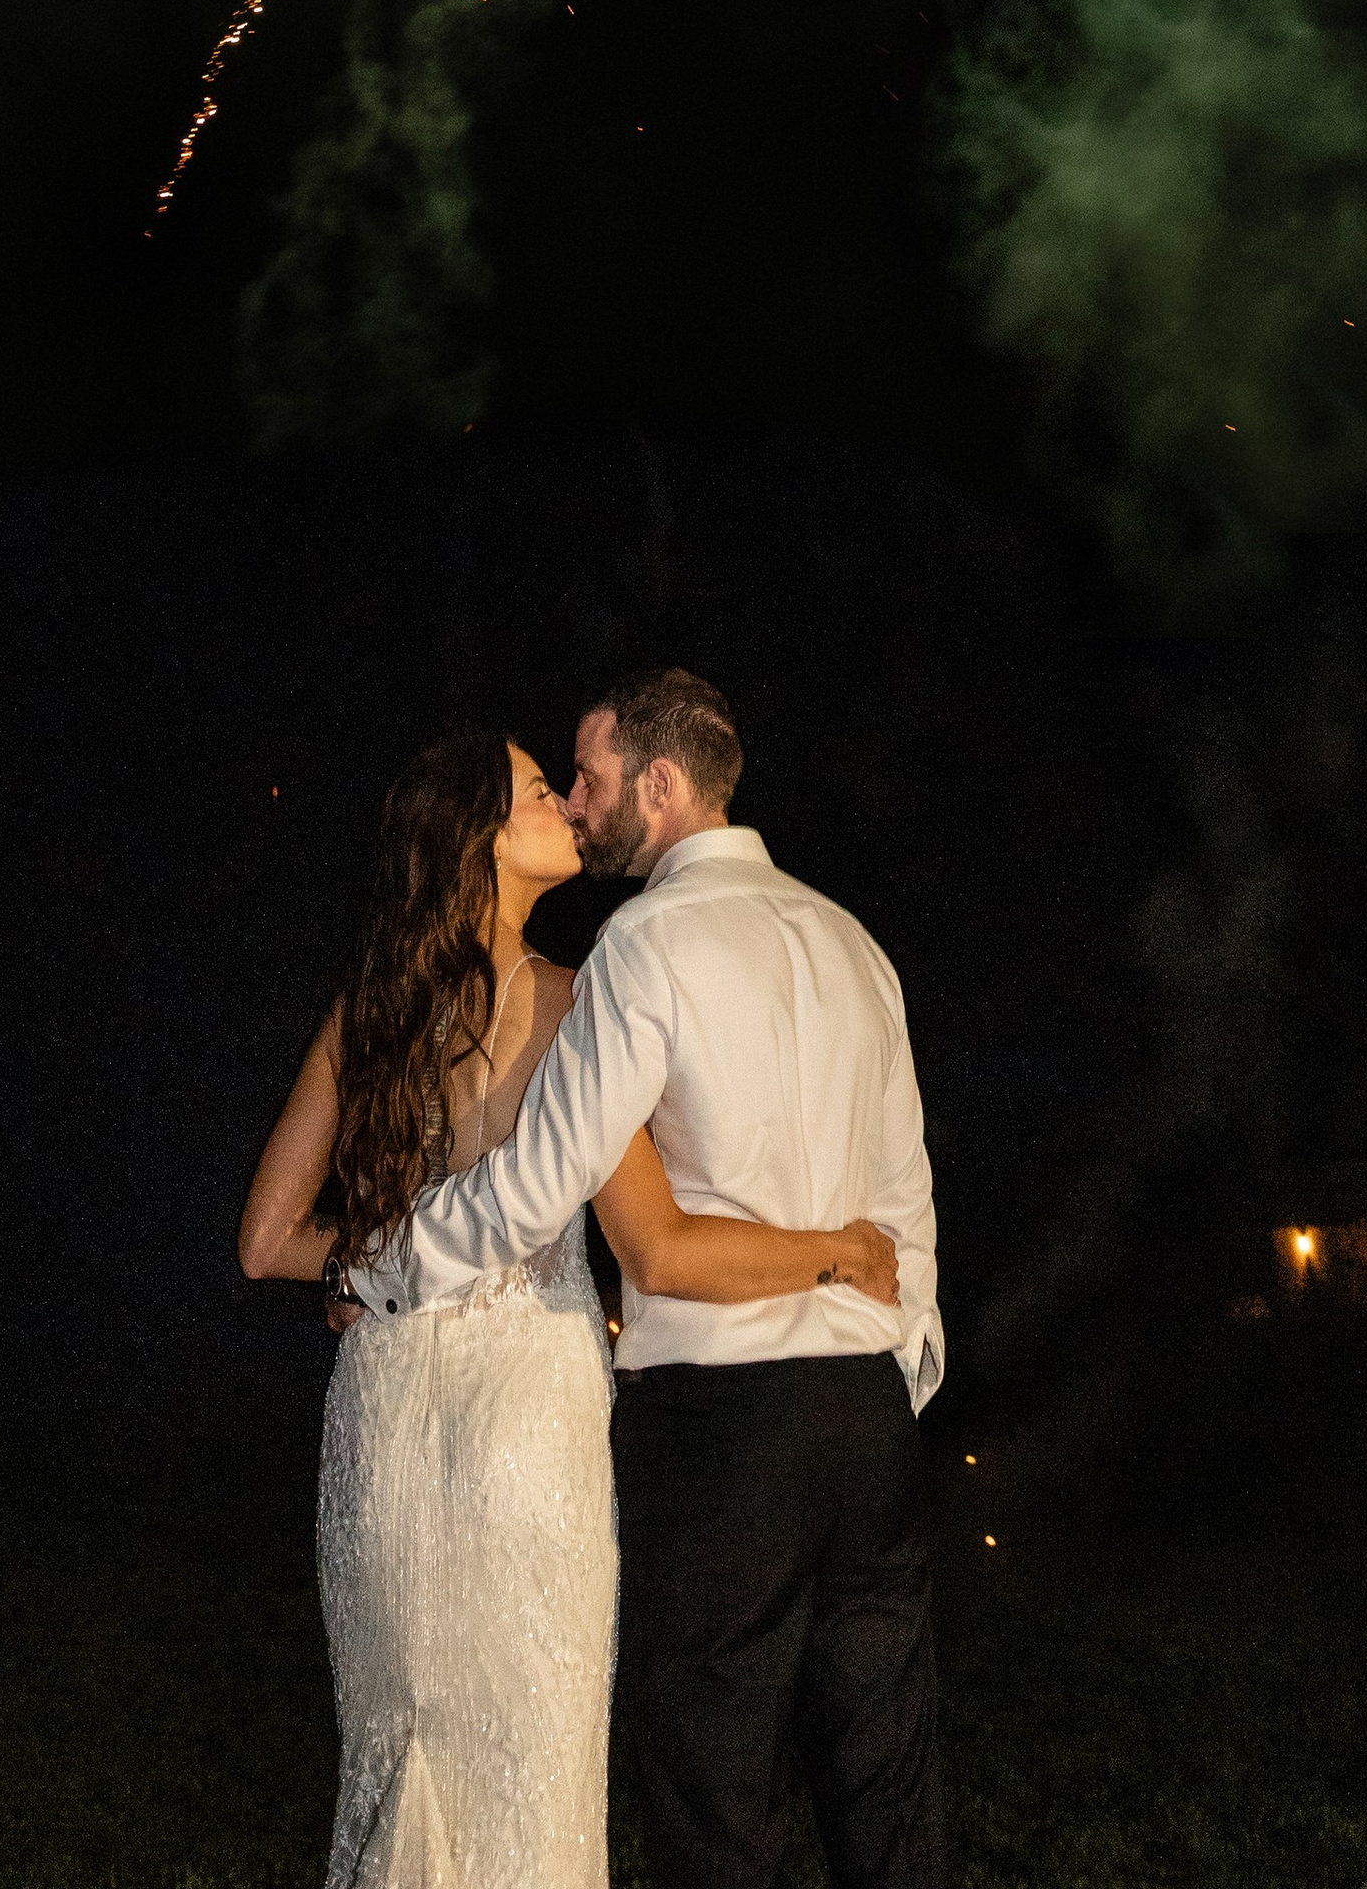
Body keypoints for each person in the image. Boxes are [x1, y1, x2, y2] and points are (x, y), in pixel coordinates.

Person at [240, 725, 898, 1889]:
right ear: (482, 840)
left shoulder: (371, 1011)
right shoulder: (575, 1006)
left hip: (383, 1412)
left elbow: (264, 1244)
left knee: (403, 1752)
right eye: (543, 791)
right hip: (525, 1417)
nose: (569, 806)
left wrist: (364, 1268)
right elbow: (655, 1244)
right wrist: (838, 1251)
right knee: (527, 1767)